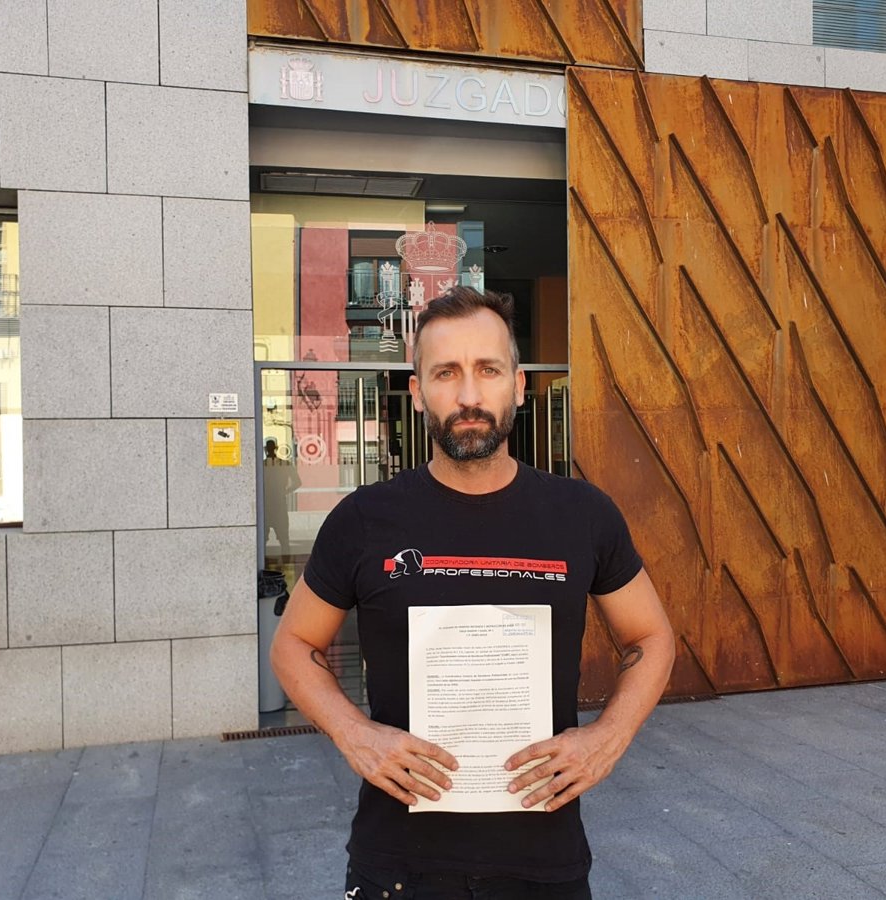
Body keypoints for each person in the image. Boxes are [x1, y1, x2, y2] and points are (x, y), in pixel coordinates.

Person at [271, 287, 675, 899]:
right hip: (398, 863)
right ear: (417, 393)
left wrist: (607, 739)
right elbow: (294, 644)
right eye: (445, 373)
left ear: (519, 385)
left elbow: (651, 636)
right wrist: (355, 735)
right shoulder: (364, 519)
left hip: (544, 860)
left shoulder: (582, 514)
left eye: (488, 370)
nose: (468, 396)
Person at [262, 437, 301, 558]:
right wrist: (285, 491)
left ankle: (267, 562)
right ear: (276, 449)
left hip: (268, 505)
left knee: (265, 540)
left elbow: (297, 482)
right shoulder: (284, 464)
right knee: (284, 540)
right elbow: (297, 482)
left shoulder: (261, 465)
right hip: (277, 504)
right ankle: (286, 561)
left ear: (266, 450)